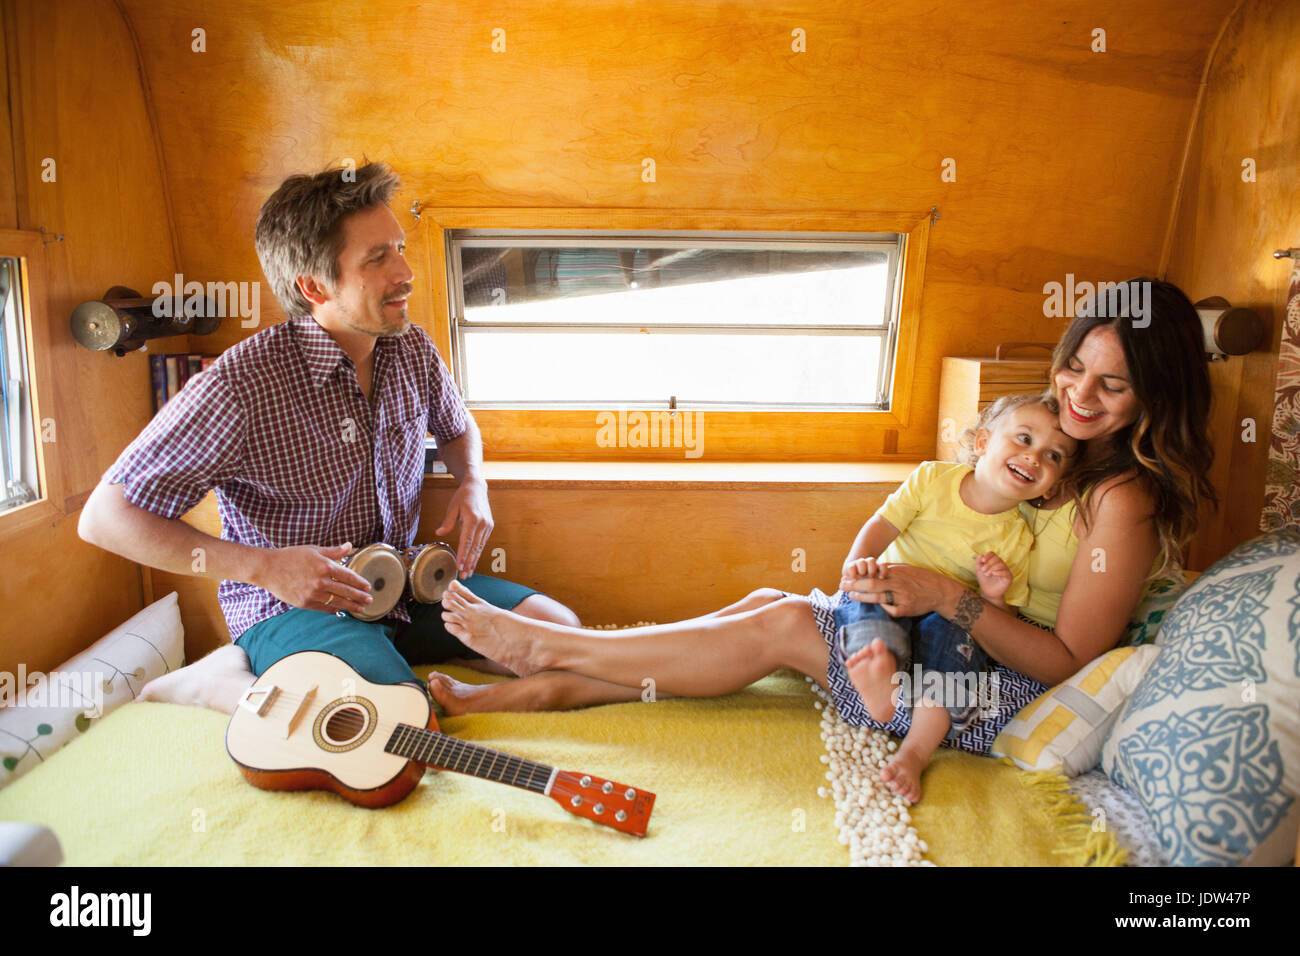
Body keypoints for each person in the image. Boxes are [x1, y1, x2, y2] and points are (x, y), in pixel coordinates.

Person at [427, 277, 1216, 803]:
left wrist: (949, 595)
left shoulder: (1125, 498)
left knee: (780, 627)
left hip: (978, 687)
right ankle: (542, 684)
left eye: (1110, 385)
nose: (1076, 395)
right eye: (1074, 367)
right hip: (932, 636)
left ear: (1157, 391)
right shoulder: (1057, 443)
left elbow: (1069, 662)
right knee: (771, 602)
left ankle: (549, 652)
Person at [77, 161, 580, 714]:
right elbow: (104, 518)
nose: (406, 271)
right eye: (378, 258)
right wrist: (262, 567)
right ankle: (222, 682)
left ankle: (439, 690)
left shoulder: (410, 347)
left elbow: (459, 430)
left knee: (562, 635)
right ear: (315, 286)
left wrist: (472, 482)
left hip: (406, 583)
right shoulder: (240, 384)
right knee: (397, 722)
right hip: (295, 609)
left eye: (401, 247)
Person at [832, 394, 1077, 800]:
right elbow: (883, 523)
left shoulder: (1016, 536)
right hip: (893, 585)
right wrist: (858, 563)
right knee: (866, 605)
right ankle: (881, 684)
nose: (1034, 458)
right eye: (1023, 439)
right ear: (982, 443)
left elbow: (999, 622)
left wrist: (994, 595)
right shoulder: (933, 479)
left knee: (956, 653)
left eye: (1053, 455)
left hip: (943, 617)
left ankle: (915, 752)